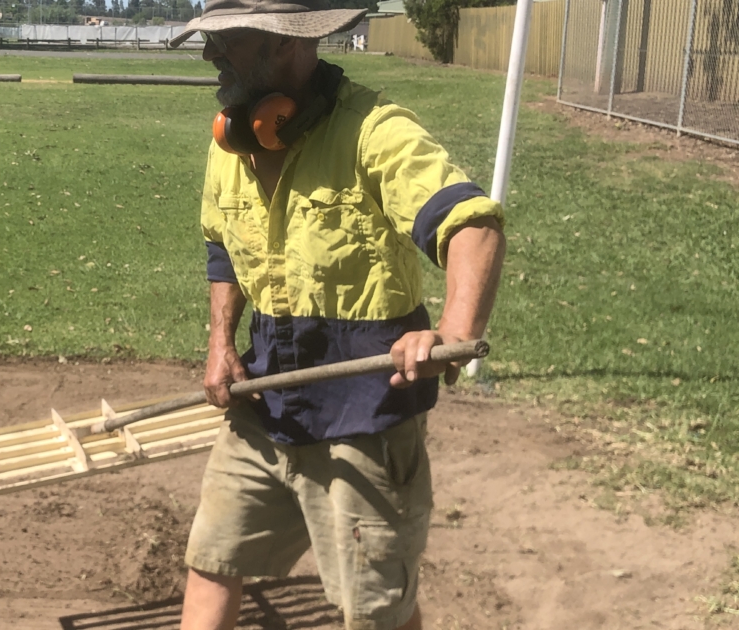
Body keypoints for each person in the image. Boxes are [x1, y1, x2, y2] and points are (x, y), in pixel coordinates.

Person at [166, 2, 507, 629]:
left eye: (229, 38)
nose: (210, 51)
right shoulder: (232, 141)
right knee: (212, 559)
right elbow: (221, 246)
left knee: (374, 610)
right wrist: (221, 342)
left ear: (290, 45)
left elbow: (472, 225)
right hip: (264, 406)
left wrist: (455, 335)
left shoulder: (375, 132)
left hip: (364, 418)